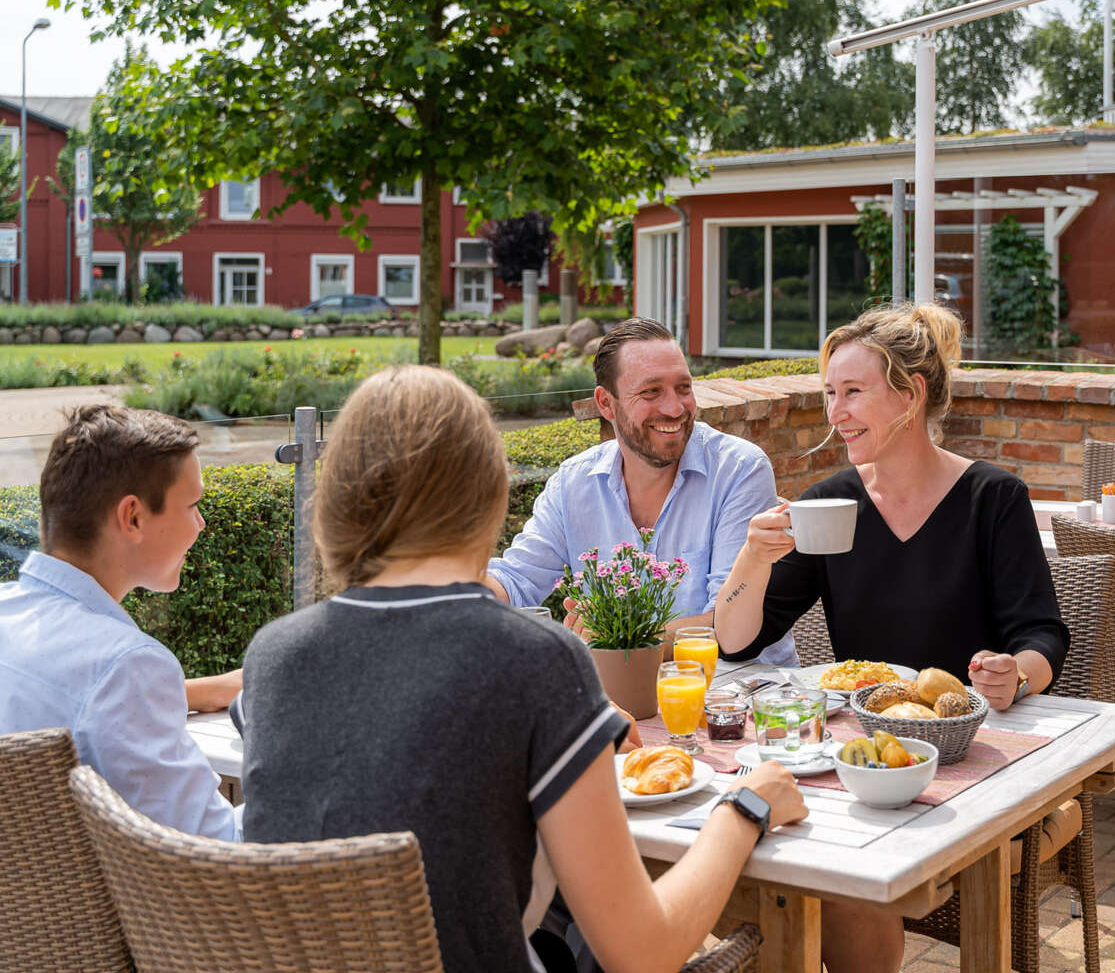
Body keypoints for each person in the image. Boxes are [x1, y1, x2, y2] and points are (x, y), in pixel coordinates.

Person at [241, 365, 807, 973]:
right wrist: (745, 807)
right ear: (488, 491)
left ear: (338, 498)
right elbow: (642, 954)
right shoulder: (536, 660)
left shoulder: (273, 656)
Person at [712, 302, 1069, 973]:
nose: (834, 412)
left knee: (846, 889)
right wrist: (752, 560)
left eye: (853, 392)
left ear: (912, 394)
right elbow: (738, 641)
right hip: (860, 762)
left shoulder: (992, 499)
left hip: (968, 765)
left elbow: (1043, 633)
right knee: (753, 860)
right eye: (829, 393)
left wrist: (1015, 674)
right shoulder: (831, 503)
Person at [486, 317, 796, 666]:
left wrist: (616, 635)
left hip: (738, 699)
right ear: (606, 404)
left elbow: (724, 628)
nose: (675, 408)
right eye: (651, 391)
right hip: (624, 697)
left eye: (683, 388)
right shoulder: (574, 483)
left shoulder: (739, 469)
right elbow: (515, 581)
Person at [0, 404, 241, 841]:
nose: (202, 525)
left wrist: (199, 691)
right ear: (132, 517)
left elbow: (68, 698)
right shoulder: (126, 667)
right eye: (192, 505)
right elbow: (215, 850)